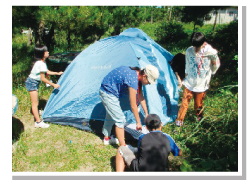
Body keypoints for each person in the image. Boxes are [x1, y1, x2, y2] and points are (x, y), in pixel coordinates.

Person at [99, 65, 159, 146]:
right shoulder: (133, 80)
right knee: (120, 120)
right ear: (144, 76)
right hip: (107, 92)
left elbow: (141, 97)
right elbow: (133, 104)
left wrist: (146, 114)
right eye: (149, 81)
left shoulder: (138, 76)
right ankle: (123, 147)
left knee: (110, 115)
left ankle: (107, 138)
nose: (148, 84)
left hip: (112, 92)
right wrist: (138, 122)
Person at [175, 32, 220, 126]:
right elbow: (187, 64)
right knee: (184, 103)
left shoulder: (210, 52)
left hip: (202, 83)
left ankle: (200, 121)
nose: (195, 49)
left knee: (198, 104)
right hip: (190, 81)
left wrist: (211, 72)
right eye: (194, 46)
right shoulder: (189, 51)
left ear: (203, 43)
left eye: (197, 47)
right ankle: (179, 122)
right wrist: (185, 76)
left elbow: (215, 64)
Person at [116, 114, 182, 171]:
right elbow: (178, 153)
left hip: (141, 170)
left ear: (146, 127)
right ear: (161, 124)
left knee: (121, 149)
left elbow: (140, 153)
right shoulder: (168, 138)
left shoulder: (142, 137)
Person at [25, 45, 63, 128]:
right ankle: (38, 122)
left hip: (33, 82)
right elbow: (43, 78)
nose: (48, 52)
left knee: (36, 102)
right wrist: (53, 85)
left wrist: (56, 73)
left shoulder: (42, 62)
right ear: (42, 53)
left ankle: (37, 114)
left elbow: (47, 71)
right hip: (32, 82)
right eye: (46, 51)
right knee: (35, 103)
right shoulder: (41, 64)